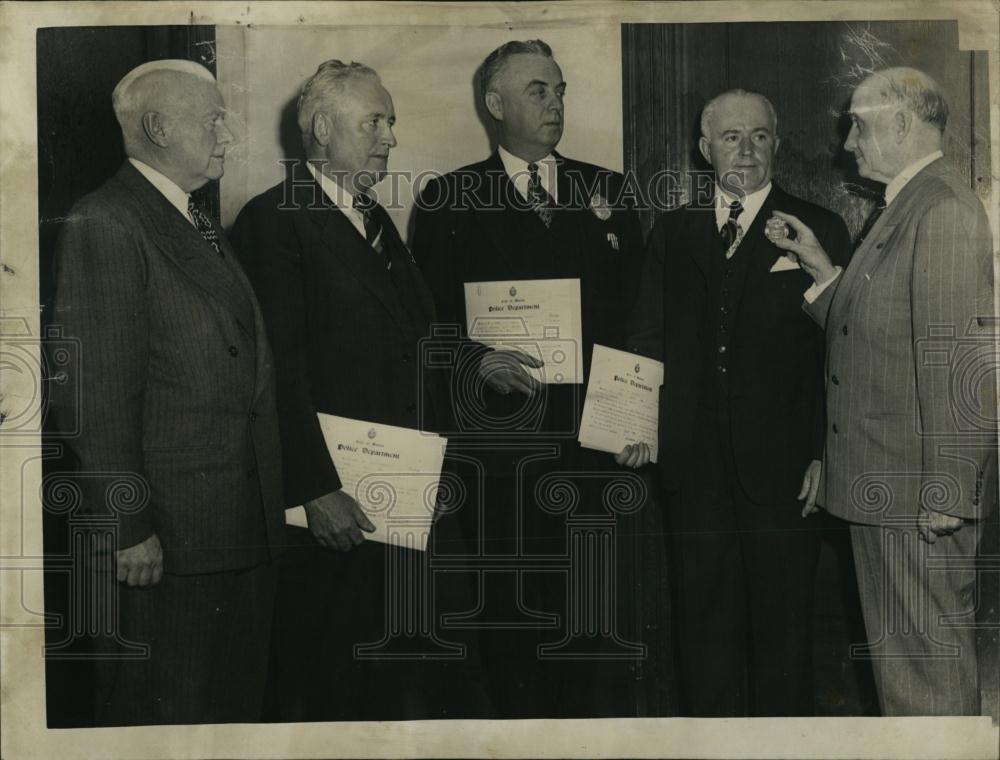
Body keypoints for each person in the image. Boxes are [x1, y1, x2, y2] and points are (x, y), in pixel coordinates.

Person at [230, 60, 483, 721]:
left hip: (403, 498)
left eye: (390, 122)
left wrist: (480, 365)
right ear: (322, 128)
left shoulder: (372, 217)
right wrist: (314, 489)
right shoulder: (273, 221)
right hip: (335, 511)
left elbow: (416, 335)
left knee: (402, 688)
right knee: (330, 691)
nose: (390, 137)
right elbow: (275, 372)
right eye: (374, 122)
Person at [411, 39, 651, 718]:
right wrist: (473, 361)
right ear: (495, 104)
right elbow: (426, 322)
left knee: (590, 626)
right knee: (509, 625)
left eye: (560, 90)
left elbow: (640, 320)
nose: (555, 104)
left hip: (594, 449)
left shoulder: (609, 190)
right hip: (499, 456)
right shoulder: (448, 197)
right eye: (538, 91)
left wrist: (636, 419)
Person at [49, 59, 286, 725]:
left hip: (232, 527)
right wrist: (127, 527)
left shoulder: (188, 216)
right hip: (168, 542)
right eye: (213, 120)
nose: (228, 135)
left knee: (228, 715)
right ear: (157, 127)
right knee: (166, 720)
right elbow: (95, 393)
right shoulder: (107, 220)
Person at [769, 67, 995, 716]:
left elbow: (960, 357)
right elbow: (881, 328)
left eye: (858, 126)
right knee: (907, 682)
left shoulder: (941, 208)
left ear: (901, 123)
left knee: (924, 683)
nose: (848, 144)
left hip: (915, 494)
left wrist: (948, 487)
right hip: (890, 489)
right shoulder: (909, 201)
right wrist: (820, 266)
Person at [628, 89, 852, 716]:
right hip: (693, 474)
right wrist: (631, 421)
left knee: (784, 646)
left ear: (776, 145)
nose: (746, 150)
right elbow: (646, 338)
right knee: (703, 644)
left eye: (759, 136)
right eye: (731, 137)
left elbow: (842, 353)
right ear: (706, 150)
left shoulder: (818, 228)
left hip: (784, 476)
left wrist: (824, 453)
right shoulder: (672, 232)